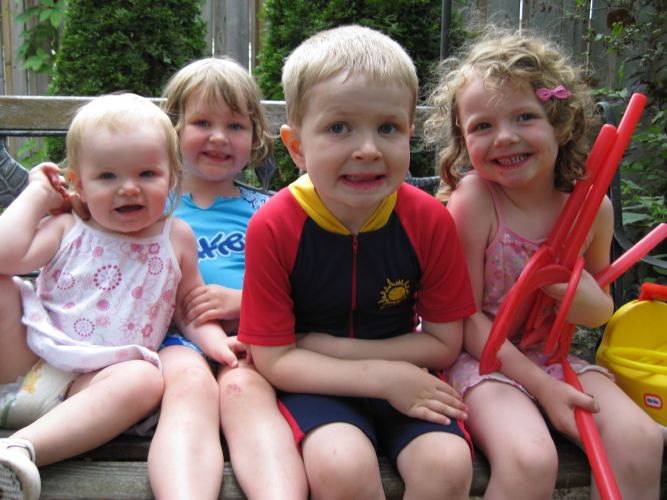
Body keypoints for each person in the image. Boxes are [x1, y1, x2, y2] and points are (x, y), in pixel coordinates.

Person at [238, 25, 476, 500]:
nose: (368, 149)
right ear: (296, 146)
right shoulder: (274, 227)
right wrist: (378, 376)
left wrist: (332, 348)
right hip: (316, 385)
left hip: (405, 377)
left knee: (448, 467)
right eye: (339, 127)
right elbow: (274, 360)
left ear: (409, 134)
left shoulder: (429, 219)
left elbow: (444, 343)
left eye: (388, 128)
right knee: (341, 468)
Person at [424, 29, 664, 499]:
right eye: (482, 126)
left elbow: (599, 309)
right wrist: (542, 388)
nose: (505, 137)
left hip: (552, 356)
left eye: (524, 117)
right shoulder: (475, 201)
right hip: (480, 361)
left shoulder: (593, 210)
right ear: (463, 140)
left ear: (560, 124)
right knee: (531, 459)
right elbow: (463, 315)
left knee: (641, 441)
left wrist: (585, 299)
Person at [0, 93, 244, 500]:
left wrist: (220, 346)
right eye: (107, 176)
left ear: (171, 177)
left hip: (91, 388)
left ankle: (18, 450)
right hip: (26, 365)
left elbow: (190, 309)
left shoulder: (176, 238)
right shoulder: (68, 227)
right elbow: (5, 258)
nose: (128, 188)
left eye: (147, 173)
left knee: (144, 378)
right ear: (79, 183)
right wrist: (38, 194)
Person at [149, 57, 308, 499]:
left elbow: (305, 287)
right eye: (202, 122)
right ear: (174, 129)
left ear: (254, 137)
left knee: (243, 390)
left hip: (252, 343)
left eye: (235, 125)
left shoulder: (270, 210)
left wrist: (243, 301)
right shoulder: (151, 210)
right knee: (190, 386)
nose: (219, 136)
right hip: (176, 343)